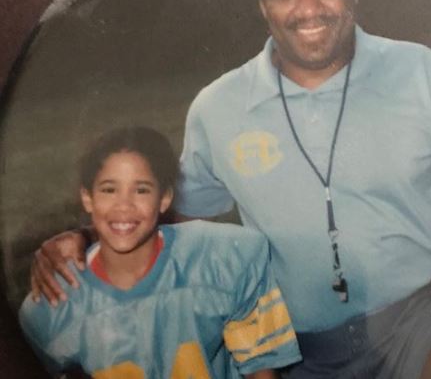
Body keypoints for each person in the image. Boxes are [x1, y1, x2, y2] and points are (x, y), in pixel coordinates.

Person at [31, 0, 431, 379]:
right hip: (286, 340)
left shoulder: (420, 72)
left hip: (418, 318)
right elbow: (168, 213)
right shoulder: (219, 105)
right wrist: (86, 238)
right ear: (263, 4)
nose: (308, 8)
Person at [20, 126, 300, 378]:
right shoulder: (51, 306)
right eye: (109, 190)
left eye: (141, 190)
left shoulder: (222, 258)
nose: (124, 206)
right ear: (87, 197)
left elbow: (260, 370)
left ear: (165, 197)